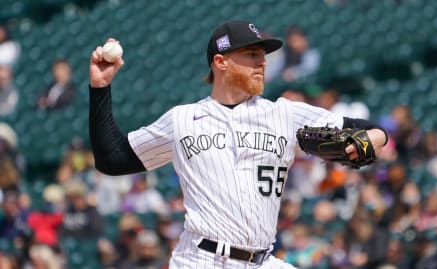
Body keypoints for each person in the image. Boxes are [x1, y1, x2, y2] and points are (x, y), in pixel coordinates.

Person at [88, 20, 388, 268]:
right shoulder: (182, 120)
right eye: (252, 54)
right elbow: (112, 159)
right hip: (200, 259)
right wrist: (100, 88)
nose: (263, 62)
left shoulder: (285, 114)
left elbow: (372, 131)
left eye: (263, 55)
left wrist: (375, 138)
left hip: (262, 260)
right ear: (221, 62)